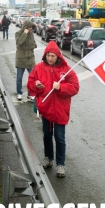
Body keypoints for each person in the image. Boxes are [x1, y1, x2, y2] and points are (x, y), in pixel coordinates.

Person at [27, 41, 79, 178]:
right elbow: (30, 84)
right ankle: (48, 158)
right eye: (48, 55)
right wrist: (36, 85)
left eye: (53, 56)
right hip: (46, 109)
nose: (50, 58)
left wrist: (60, 87)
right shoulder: (38, 68)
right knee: (47, 135)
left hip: (61, 110)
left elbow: (75, 87)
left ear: (58, 57)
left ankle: (60, 164)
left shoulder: (66, 70)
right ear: (45, 55)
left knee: (60, 137)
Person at [15, 20, 37, 101]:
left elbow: (34, 44)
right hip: (21, 59)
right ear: (26, 27)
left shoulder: (31, 34)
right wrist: (24, 34)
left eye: (31, 27)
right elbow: (20, 43)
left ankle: (30, 94)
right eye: (29, 27)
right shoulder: (18, 33)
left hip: (30, 58)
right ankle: (19, 93)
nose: (31, 29)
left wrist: (34, 45)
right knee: (19, 78)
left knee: (32, 77)